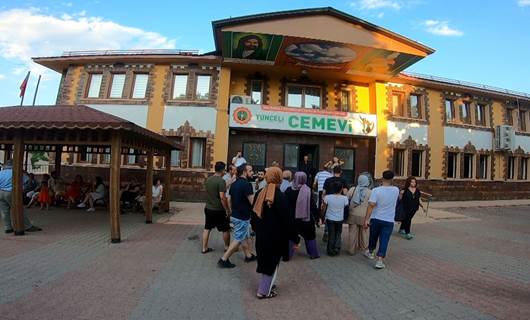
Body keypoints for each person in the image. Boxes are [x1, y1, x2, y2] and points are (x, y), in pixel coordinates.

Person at [251, 166, 293, 299]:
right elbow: (287, 219)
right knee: (272, 263)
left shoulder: (259, 193)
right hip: (275, 237)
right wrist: (293, 236)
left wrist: (256, 229)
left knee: (266, 262)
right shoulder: (280, 196)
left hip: (262, 235)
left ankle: (268, 286)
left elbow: (253, 215)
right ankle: (263, 291)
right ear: (279, 178)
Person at [218, 163, 257, 268]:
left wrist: (230, 211)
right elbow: (253, 202)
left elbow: (229, 199)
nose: (252, 172)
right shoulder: (247, 185)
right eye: (250, 170)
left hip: (235, 215)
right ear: (244, 172)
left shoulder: (234, 184)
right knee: (238, 238)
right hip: (242, 217)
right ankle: (224, 259)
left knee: (243, 236)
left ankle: (248, 256)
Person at [364, 170, 400, 269]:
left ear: (382, 178)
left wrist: (366, 219)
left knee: (373, 236)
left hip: (376, 218)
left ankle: (370, 252)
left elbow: (371, 206)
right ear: (392, 179)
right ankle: (380, 260)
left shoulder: (376, 190)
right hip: (389, 219)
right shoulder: (396, 190)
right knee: (384, 240)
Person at [0, 160, 42, 233]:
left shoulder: (1, 172)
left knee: (4, 211)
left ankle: (8, 228)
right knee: (19, 210)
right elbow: (28, 181)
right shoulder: (17, 172)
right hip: (12, 193)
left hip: (1, 192)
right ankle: (27, 226)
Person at [285, 172, 320, 259]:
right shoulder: (308, 190)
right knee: (310, 236)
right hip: (306, 219)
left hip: (292, 219)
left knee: (291, 237)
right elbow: (313, 206)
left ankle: (287, 255)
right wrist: (317, 217)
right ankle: (313, 254)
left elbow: (285, 205)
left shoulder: (289, 190)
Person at [202, 161, 231, 254]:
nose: (225, 172)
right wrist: (227, 209)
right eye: (225, 170)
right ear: (222, 170)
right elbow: (222, 197)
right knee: (225, 229)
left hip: (208, 208)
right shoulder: (221, 181)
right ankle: (227, 247)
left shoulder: (208, 180)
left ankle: (204, 248)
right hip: (219, 210)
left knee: (207, 228)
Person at [346, 173, 373, 255]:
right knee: (364, 233)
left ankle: (351, 250)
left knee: (352, 233)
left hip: (352, 214)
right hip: (364, 216)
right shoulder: (370, 192)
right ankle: (364, 248)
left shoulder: (352, 189)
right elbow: (372, 205)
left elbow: (346, 200)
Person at [322, 180, 349, 256]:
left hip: (330, 218)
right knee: (338, 233)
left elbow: (324, 208)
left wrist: (322, 216)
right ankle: (337, 248)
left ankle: (330, 250)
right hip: (339, 218)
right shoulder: (345, 198)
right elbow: (346, 209)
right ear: (341, 189)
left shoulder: (327, 197)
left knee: (331, 234)